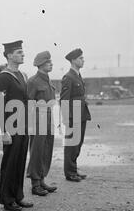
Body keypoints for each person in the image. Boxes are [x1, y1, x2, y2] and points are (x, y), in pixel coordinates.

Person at [0, 40, 33, 211]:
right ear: (9, 55)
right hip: (11, 125)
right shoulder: (4, 77)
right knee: (10, 162)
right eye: (18, 52)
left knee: (20, 161)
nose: (22, 54)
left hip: (23, 125)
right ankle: (7, 199)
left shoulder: (22, 75)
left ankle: (18, 195)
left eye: (22, 51)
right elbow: (0, 105)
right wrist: (4, 131)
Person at [26, 51, 57, 196]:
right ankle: (35, 183)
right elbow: (28, 103)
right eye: (48, 62)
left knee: (47, 149)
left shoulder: (47, 80)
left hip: (49, 117)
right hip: (38, 119)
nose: (51, 64)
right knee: (37, 150)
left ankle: (42, 178)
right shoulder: (33, 81)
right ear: (40, 64)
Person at [60, 48, 91, 182]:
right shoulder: (68, 77)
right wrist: (67, 118)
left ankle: (73, 168)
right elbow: (64, 100)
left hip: (81, 114)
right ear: (73, 60)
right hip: (73, 116)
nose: (83, 60)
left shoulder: (77, 75)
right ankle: (70, 172)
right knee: (72, 144)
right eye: (80, 58)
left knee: (78, 143)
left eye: (83, 58)